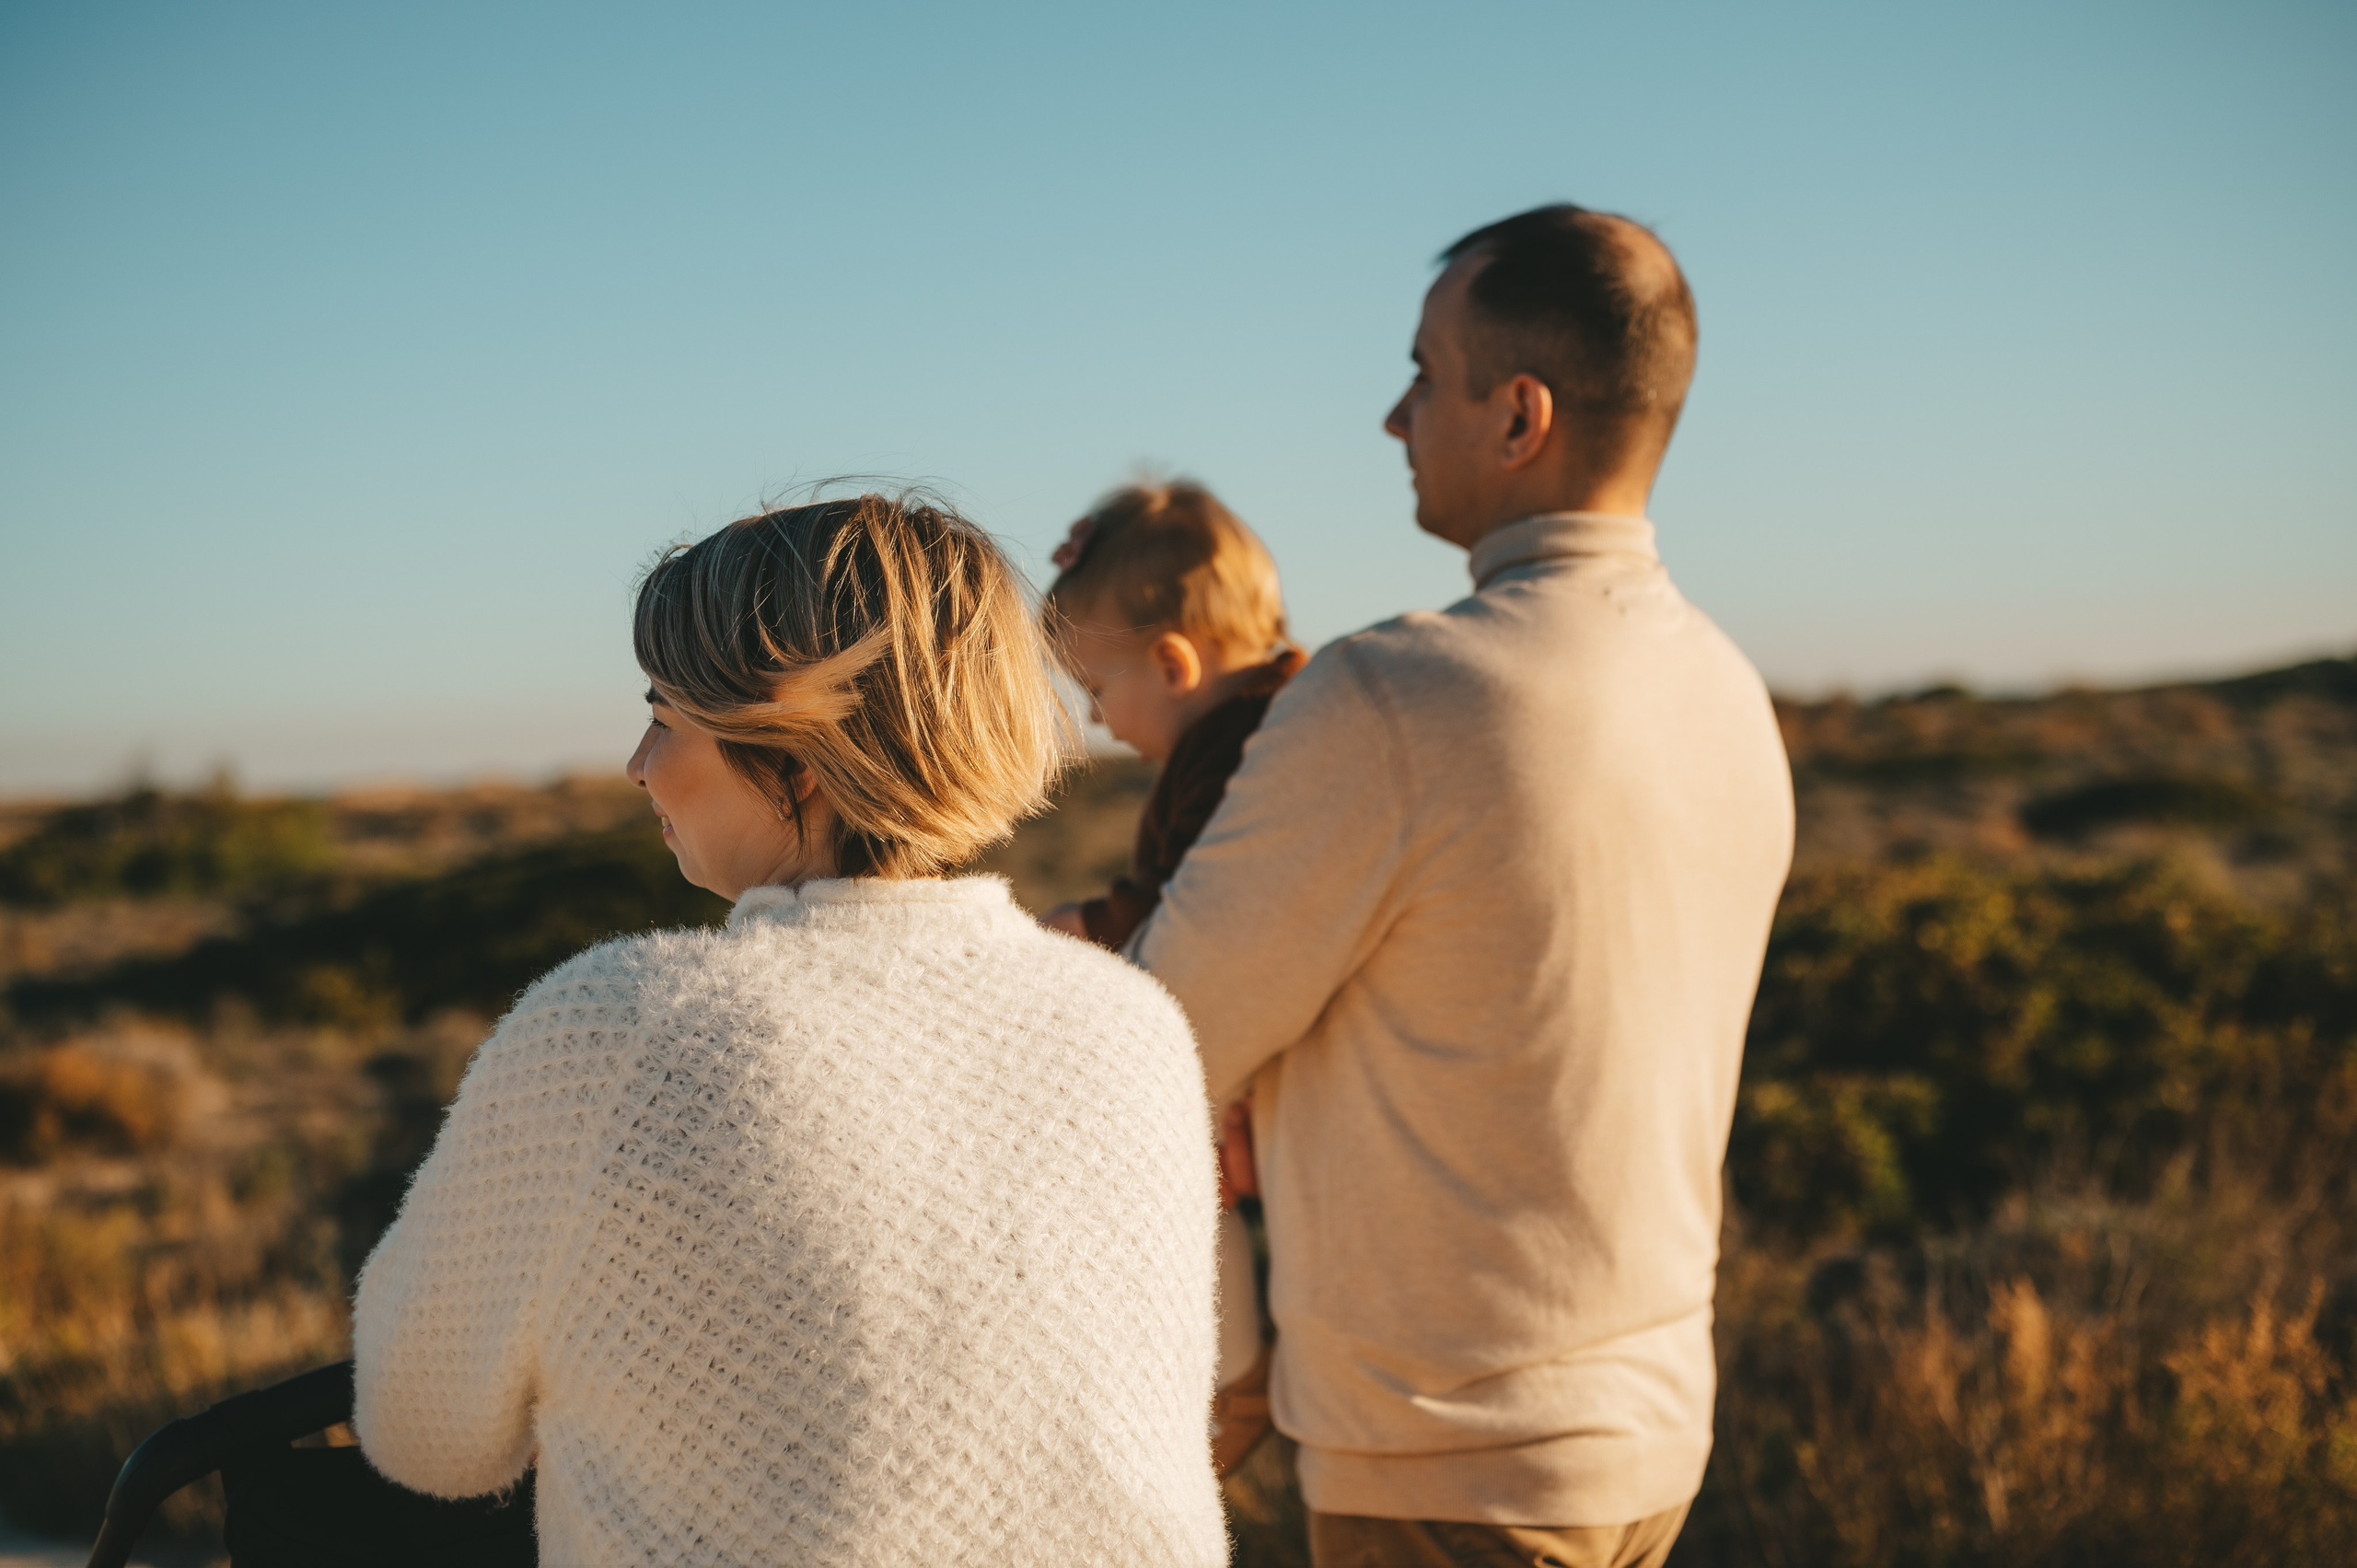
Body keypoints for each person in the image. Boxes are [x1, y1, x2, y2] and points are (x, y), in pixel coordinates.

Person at [350, 494, 1230, 1567]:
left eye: (666, 716)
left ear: (796, 752)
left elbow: (424, 1430)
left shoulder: (623, 1030)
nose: (637, 762)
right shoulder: (1131, 1023)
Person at [1128, 205, 1795, 1567]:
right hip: (1652, 1443)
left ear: (1518, 416)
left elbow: (1157, 1038)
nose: (1394, 415)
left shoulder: (1393, 696)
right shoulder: (1730, 692)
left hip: (1448, 1464)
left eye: (1424, 373)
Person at [1035, 478, 1304, 1475]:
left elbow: (1193, 893)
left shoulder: (1235, 745)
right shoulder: (1275, 717)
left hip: (1254, 1020)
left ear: (1173, 662)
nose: (1097, 720)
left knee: (1179, 1167)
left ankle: (1232, 1374)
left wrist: (1091, 925)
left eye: (1097, 690)